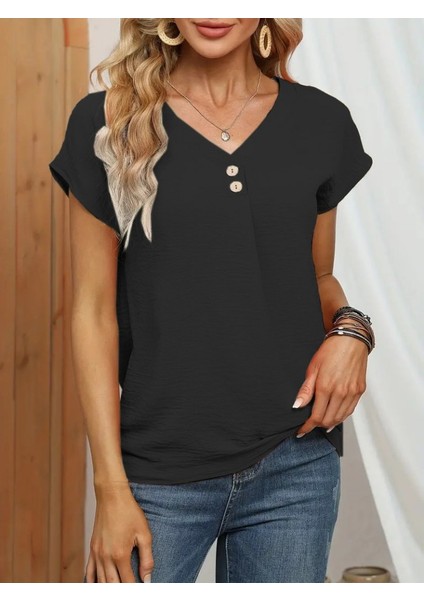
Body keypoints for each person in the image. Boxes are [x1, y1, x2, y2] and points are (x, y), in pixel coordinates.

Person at [49, 18, 374, 583]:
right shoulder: (108, 122)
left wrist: (353, 333)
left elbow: (318, 276)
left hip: (294, 463)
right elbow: (93, 312)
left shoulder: (320, 120)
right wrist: (111, 488)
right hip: (155, 472)